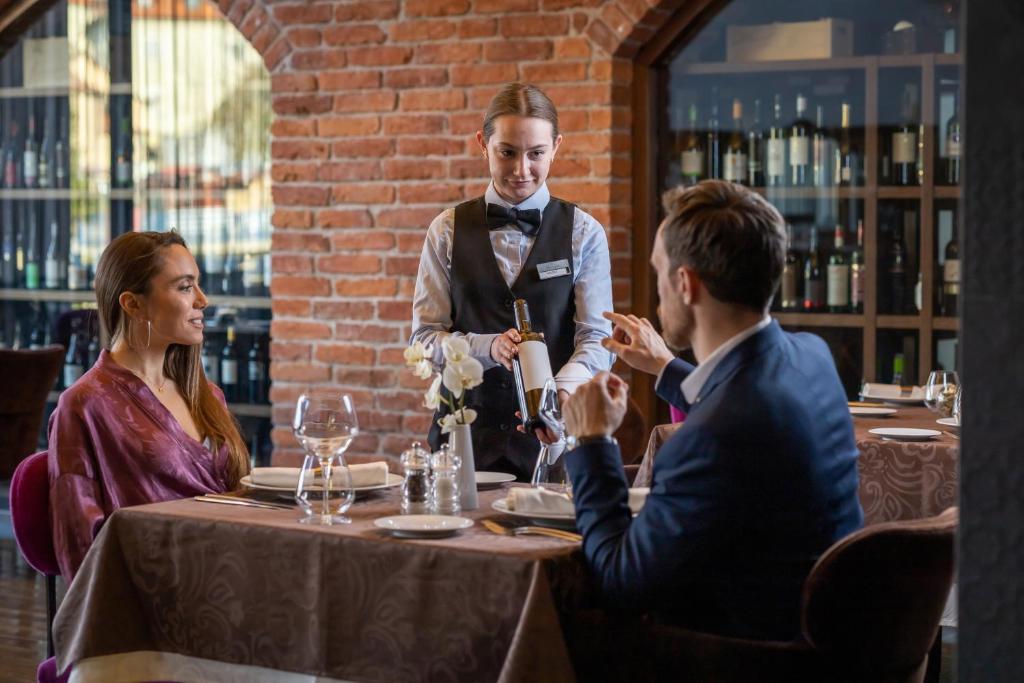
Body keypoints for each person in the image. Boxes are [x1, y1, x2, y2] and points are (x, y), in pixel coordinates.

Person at [562, 180, 863, 640]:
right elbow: (747, 403)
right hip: (830, 641)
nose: (658, 291)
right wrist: (665, 367)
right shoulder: (811, 357)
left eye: (660, 273)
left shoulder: (713, 437)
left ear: (685, 284)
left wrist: (591, 441)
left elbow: (621, 582)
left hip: (735, 660)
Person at [411, 82, 613, 480]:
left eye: (536, 153)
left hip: (550, 446)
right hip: (462, 442)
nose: (522, 169)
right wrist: (489, 347)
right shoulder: (447, 230)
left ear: (556, 146)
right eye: (507, 152)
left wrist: (556, 393)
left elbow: (598, 339)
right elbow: (423, 339)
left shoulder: (584, 233)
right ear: (482, 145)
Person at [49, 231, 248, 583]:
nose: (203, 299)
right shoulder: (83, 405)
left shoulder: (207, 395)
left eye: (197, 285)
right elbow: (81, 543)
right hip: (148, 595)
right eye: (185, 287)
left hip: (231, 569)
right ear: (133, 303)